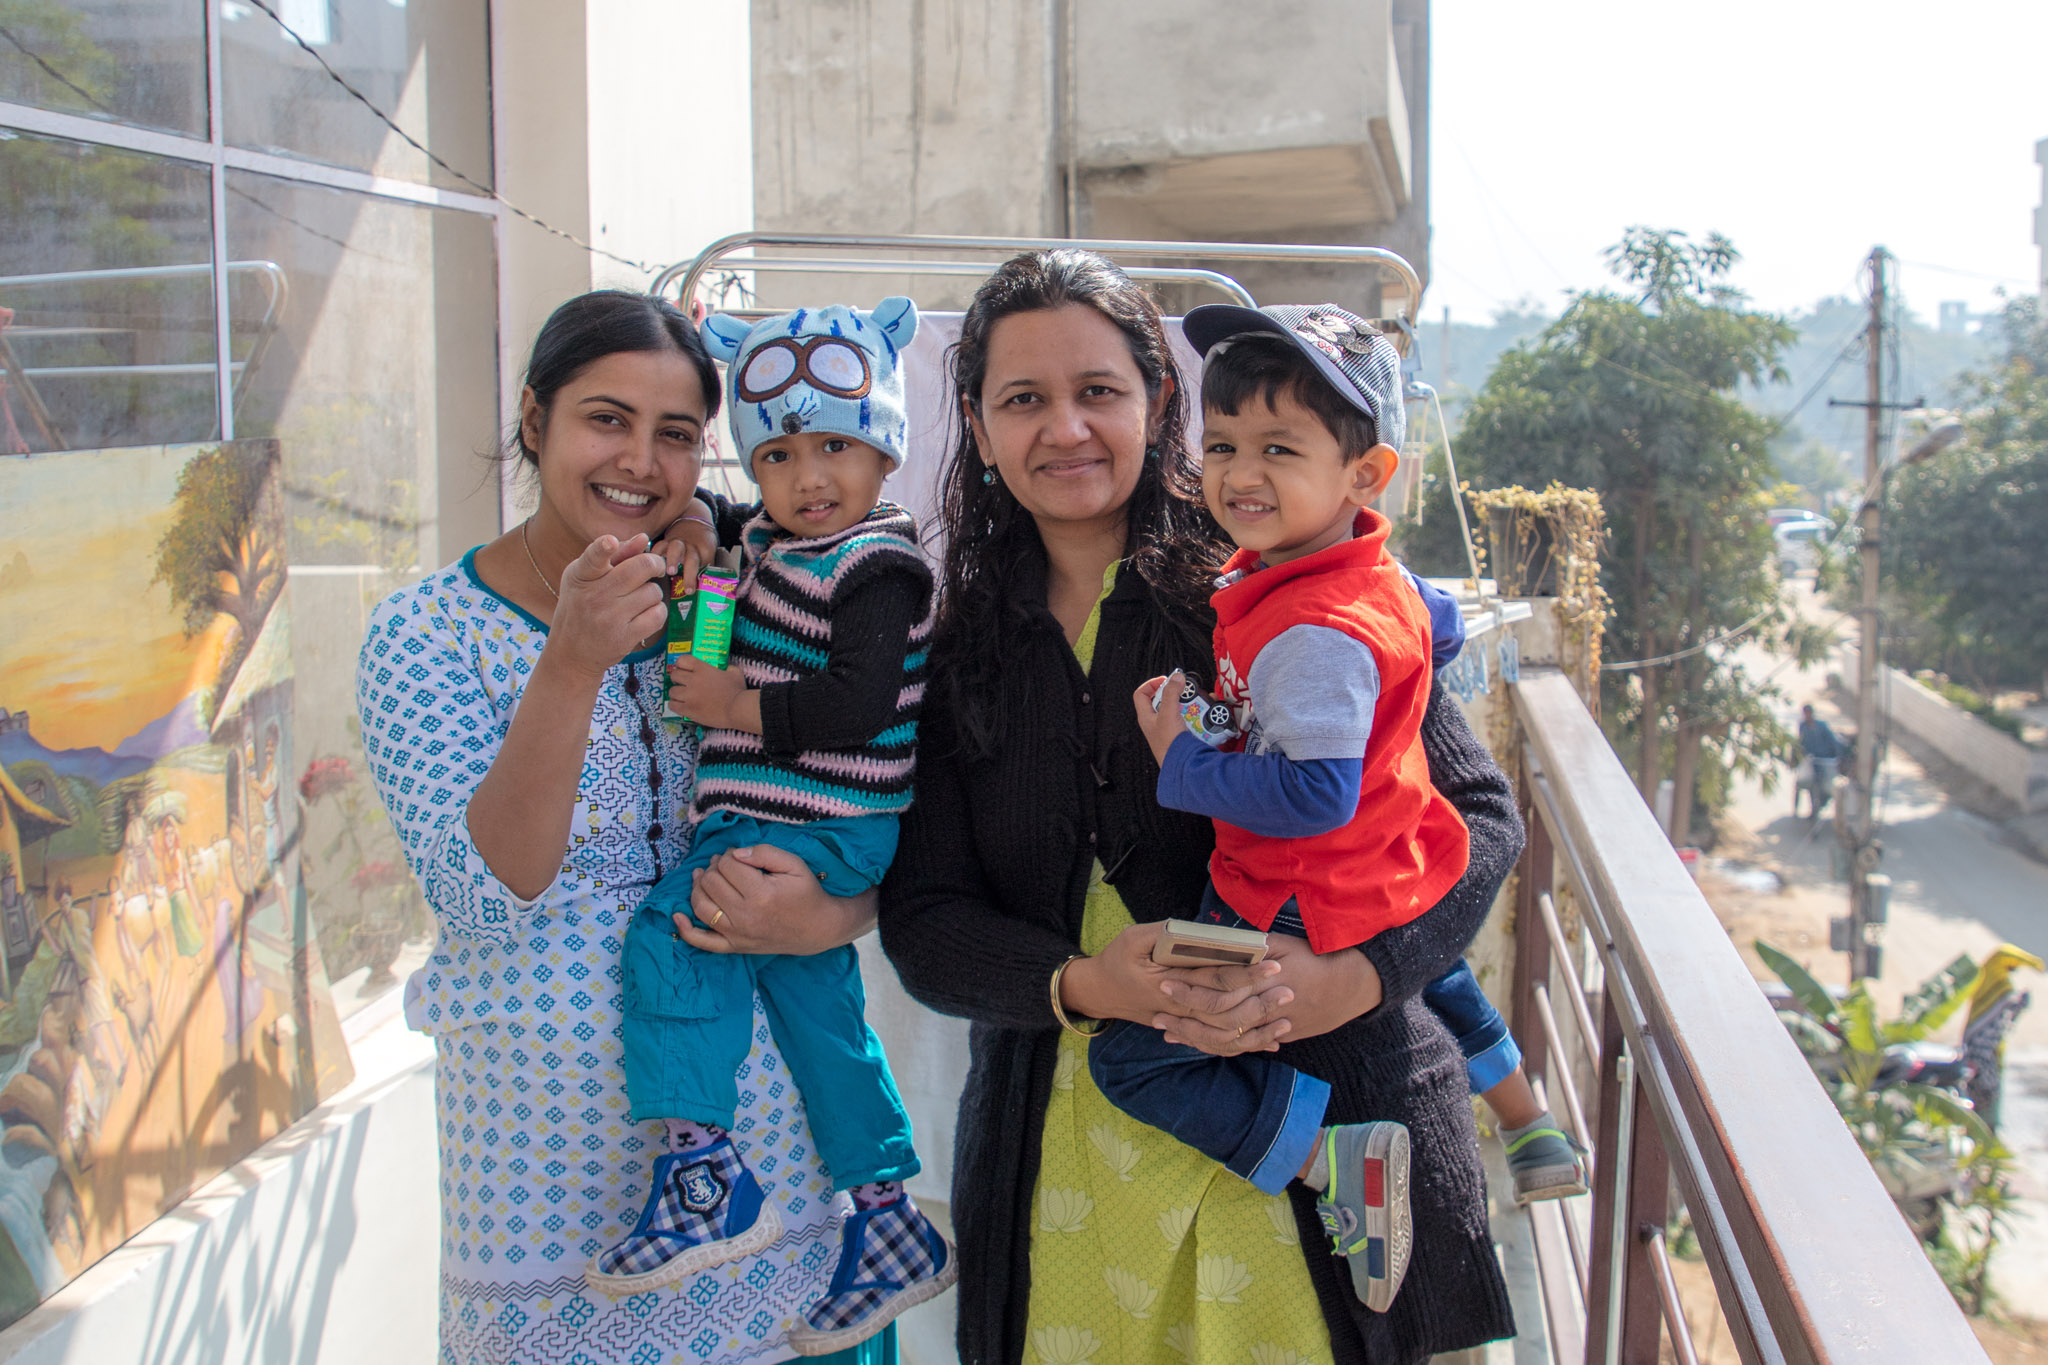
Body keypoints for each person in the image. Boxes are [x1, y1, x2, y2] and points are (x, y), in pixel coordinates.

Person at [878, 249, 1518, 1365]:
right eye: (1022, 400)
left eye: (1099, 390)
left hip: (1340, 1146)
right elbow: (926, 921)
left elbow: (1476, 816)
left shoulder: (1286, 587)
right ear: (975, 427)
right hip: (1063, 1186)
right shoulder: (951, 652)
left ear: (1159, 400)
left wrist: (1352, 979)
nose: (1065, 428)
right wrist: (1083, 983)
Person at [356, 290, 900, 1365]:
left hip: (783, 1160)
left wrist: (839, 913)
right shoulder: (424, 634)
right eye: (606, 419)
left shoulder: (737, 592)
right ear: (534, 419)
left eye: (678, 434)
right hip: (547, 1186)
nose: (641, 463)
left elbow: (877, 787)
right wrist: (570, 660)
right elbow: (479, 896)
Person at [1089, 302, 1582, 1312]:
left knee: (1131, 1055)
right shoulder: (1371, 572)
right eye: (1222, 445)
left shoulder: (1311, 632)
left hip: (1291, 896)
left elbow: (1313, 795)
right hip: (1392, 860)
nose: (1241, 473)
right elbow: (1438, 628)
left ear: (1364, 474)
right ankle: (1526, 1116)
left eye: (1280, 448)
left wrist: (1184, 758)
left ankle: (1327, 1157)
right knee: (1441, 973)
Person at [596, 298, 955, 1353]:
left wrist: (734, 707)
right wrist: (697, 524)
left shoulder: (877, 564)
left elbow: (858, 702)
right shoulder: (772, 539)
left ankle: (702, 1170)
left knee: (675, 932)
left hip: (821, 817)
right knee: (818, 1015)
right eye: (779, 456)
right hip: (805, 824)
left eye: (836, 447)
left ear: (885, 451)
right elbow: (711, 514)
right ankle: (887, 1220)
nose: (809, 478)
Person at [1795, 703, 1842, 819]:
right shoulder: (1803, 727)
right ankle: (1799, 810)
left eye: (1808, 713)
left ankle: (1817, 808)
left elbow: (1832, 741)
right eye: (1805, 713)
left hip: (1823, 760)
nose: (1807, 715)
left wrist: (1837, 756)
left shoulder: (1821, 726)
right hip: (1810, 761)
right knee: (1804, 784)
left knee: (1821, 785)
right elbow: (1800, 743)